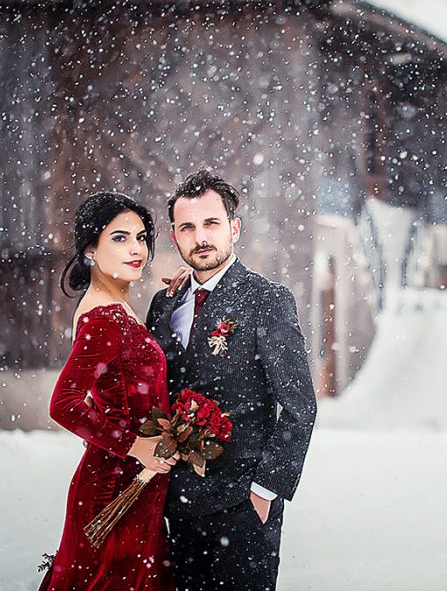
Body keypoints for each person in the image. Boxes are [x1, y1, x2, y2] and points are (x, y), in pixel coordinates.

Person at [146, 170, 317, 591]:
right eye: (188, 227)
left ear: (234, 228)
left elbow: (300, 406)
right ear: (175, 237)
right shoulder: (164, 304)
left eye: (211, 223)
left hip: (242, 506)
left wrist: (264, 490)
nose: (201, 237)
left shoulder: (267, 300)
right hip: (176, 505)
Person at [41, 192, 177, 591]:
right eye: (120, 238)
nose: (136, 249)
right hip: (114, 486)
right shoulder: (104, 317)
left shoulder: (119, 308)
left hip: (135, 481)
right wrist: (136, 446)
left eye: (141, 238)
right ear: (90, 250)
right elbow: (64, 405)